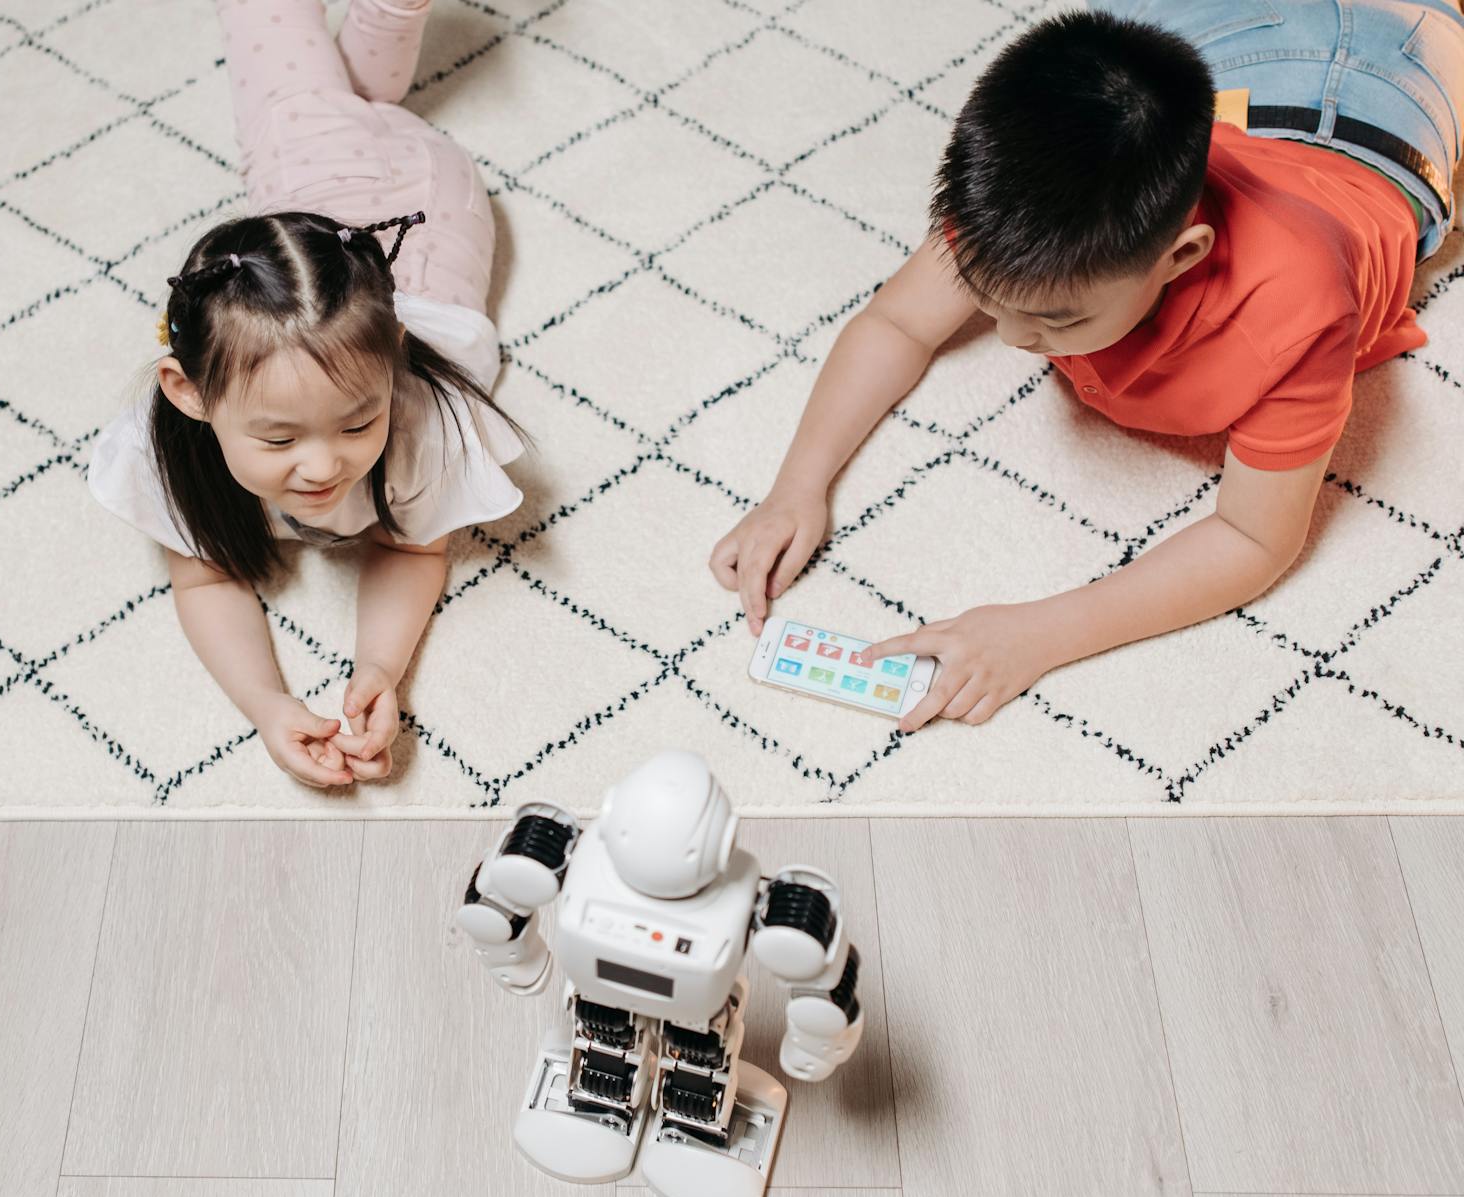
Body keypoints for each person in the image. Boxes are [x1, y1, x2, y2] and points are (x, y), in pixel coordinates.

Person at [709, 3, 1461, 732]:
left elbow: (1254, 539)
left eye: (1055, 320)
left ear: (1183, 256)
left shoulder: (1299, 312)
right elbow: (897, 321)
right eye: (984, 299)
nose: (1007, 338)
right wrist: (794, 488)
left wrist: (1039, 634)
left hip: (1388, 88)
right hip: (1232, 48)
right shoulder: (1017, 207)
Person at [88, 0, 522, 785]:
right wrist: (265, 702)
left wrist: (382, 671)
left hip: (423, 206)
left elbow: (410, 544)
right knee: (321, 111)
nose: (324, 468)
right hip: (369, 224)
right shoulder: (171, 443)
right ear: (188, 393)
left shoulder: (425, 424)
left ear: (392, 361)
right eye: (280, 440)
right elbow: (204, 572)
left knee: (297, 93)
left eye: (359, 423)